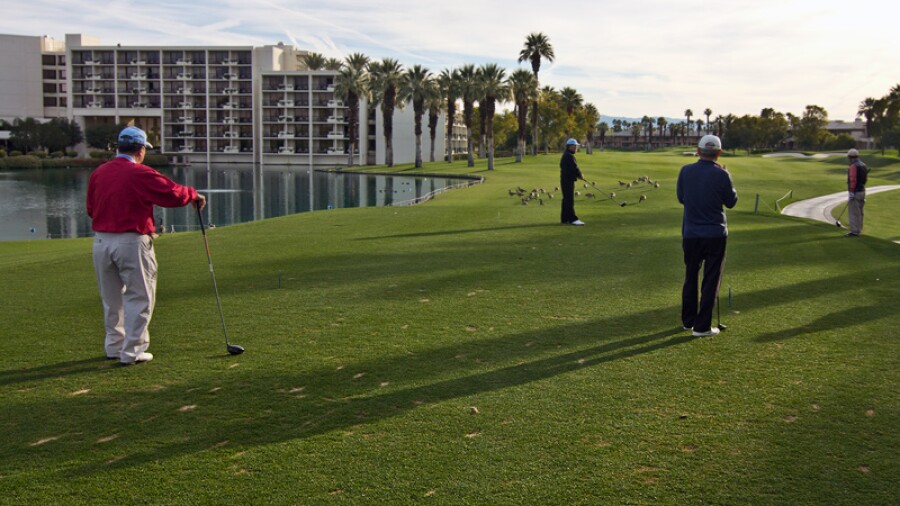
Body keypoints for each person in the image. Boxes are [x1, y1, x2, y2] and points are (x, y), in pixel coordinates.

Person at [86, 126, 206, 365]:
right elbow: (172, 194)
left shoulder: (99, 172)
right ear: (141, 150)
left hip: (101, 241)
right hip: (131, 241)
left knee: (111, 298)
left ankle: (114, 346)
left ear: (119, 147)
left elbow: (90, 209)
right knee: (139, 297)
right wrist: (194, 195)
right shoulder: (140, 172)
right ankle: (132, 351)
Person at [676, 134, 737, 337]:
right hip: (715, 234)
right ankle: (701, 327)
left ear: (698, 151)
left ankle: (688, 321)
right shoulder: (722, 174)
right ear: (719, 153)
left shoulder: (686, 171)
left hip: (691, 234)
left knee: (690, 276)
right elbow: (731, 201)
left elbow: (681, 198)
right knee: (711, 279)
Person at [560, 138, 585, 226]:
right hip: (567, 181)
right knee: (569, 200)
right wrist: (580, 175)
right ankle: (572, 219)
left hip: (565, 180)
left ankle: (564, 219)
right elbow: (575, 168)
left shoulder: (566, 155)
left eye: (576, 146)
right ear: (569, 146)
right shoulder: (569, 156)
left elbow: (571, 169)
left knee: (566, 200)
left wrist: (577, 175)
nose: (576, 148)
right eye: (574, 146)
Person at [845, 148, 869, 237]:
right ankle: (859, 230)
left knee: (853, 212)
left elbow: (853, 180)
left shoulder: (853, 166)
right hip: (862, 191)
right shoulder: (863, 165)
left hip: (855, 192)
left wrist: (851, 192)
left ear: (850, 157)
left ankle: (854, 231)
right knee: (860, 212)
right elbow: (865, 179)